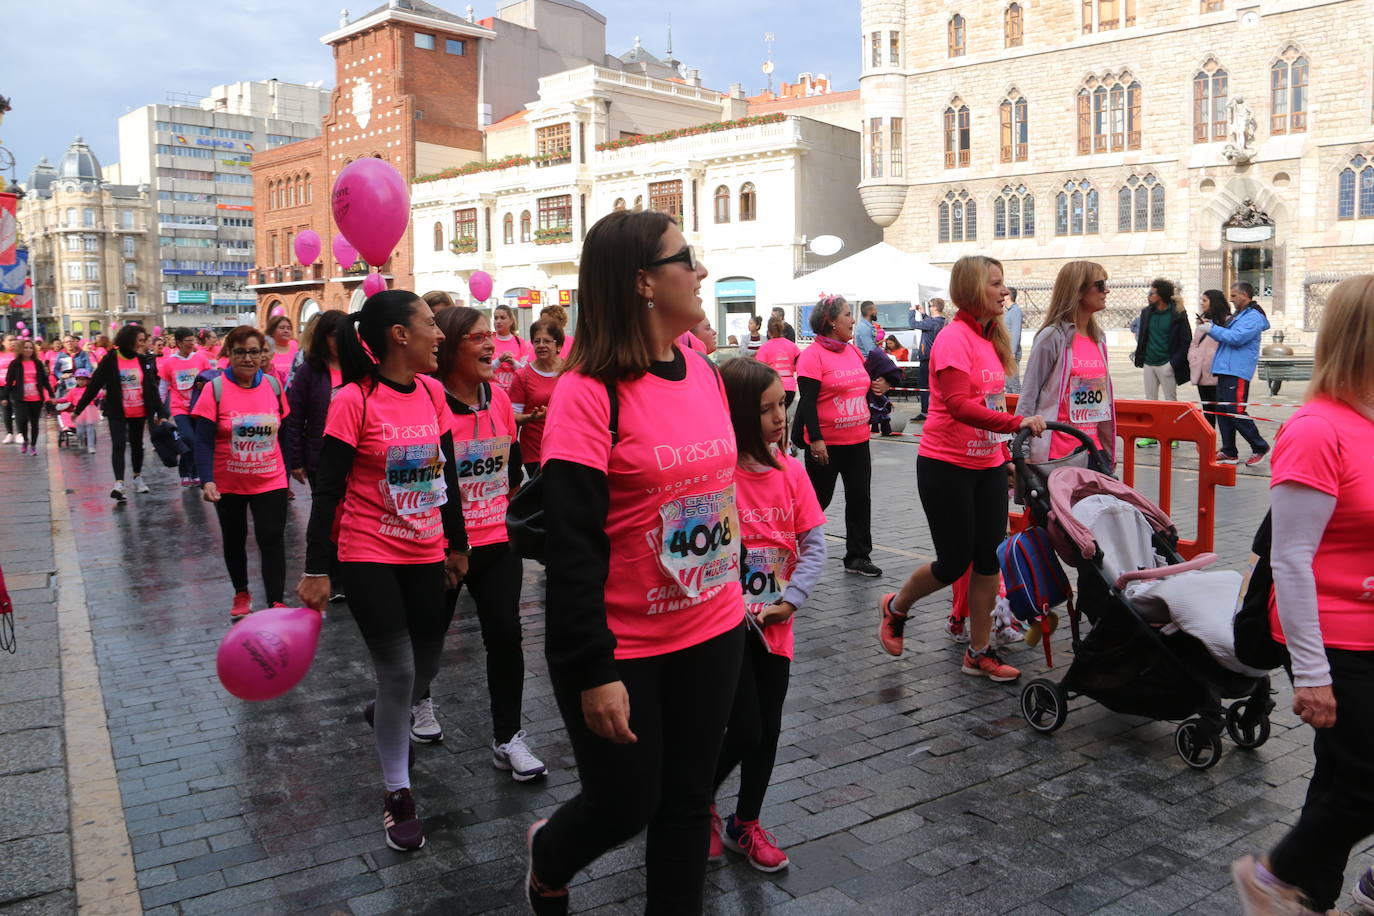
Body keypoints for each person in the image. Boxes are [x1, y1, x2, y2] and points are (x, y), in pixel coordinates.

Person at [526, 210, 745, 915]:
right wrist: (594, 669)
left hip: (711, 627)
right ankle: (549, 856)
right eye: (689, 259)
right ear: (644, 282)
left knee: (687, 802)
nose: (703, 271)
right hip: (625, 645)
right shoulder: (587, 396)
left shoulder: (706, 373)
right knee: (626, 802)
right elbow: (572, 547)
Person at [296, 289, 469, 853]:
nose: (439, 334)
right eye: (429, 324)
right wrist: (316, 567)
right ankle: (398, 794)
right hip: (368, 552)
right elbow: (328, 487)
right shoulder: (354, 400)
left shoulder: (432, 393)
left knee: (426, 667)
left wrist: (457, 546)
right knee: (396, 674)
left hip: (426, 551)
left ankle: (385, 711)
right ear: (399, 335)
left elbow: (448, 479)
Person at [1230, 274, 1374, 916]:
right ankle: (1276, 876)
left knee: (1346, 775)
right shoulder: (1318, 428)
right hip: (1335, 634)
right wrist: (1311, 673)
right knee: (1365, 777)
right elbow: (1290, 560)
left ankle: (1310, 895)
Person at [879, 255, 1046, 682]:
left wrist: (1006, 453)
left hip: (986, 463)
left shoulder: (992, 339)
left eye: (1003, 283)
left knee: (988, 560)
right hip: (945, 465)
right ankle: (896, 608)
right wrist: (1015, 424)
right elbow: (956, 405)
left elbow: (991, 402)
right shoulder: (953, 338)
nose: (1003, 291)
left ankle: (979, 650)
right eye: (995, 284)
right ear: (972, 289)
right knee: (953, 562)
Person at [708, 357, 826, 873]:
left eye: (783, 404)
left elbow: (814, 543)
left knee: (768, 728)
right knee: (745, 727)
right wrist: (730, 603)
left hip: (776, 625)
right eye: (766, 409)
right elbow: (700, 552)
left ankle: (744, 823)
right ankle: (695, 804)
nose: (781, 418)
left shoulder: (791, 473)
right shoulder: (715, 475)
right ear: (736, 415)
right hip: (723, 626)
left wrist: (789, 601)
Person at [433, 306, 546, 777]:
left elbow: (511, 463)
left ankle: (508, 738)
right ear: (452, 345)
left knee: (505, 636)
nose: (489, 344)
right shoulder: (429, 400)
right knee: (427, 640)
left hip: (497, 541)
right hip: (441, 546)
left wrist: (518, 520)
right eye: (477, 337)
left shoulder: (499, 398)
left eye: (489, 336)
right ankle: (417, 699)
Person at [191, 326, 291, 621]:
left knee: (272, 537)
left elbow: (284, 433)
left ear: (263, 355)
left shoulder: (273, 386)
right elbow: (203, 439)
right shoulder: (215, 388)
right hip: (229, 482)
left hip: (270, 478)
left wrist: (290, 470)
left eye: (254, 352)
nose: (248, 358)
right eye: (240, 352)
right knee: (235, 538)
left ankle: (276, 601)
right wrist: (207, 479)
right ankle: (241, 592)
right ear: (229, 355)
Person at [792, 295, 881, 578]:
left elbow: (861, 385)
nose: (852, 320)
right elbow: (807, 402)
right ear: (831, 321)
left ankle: (858, 556)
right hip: (826, 444)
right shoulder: (812, 356)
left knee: (859, 498)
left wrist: (879, 386)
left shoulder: (852, 351)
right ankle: (787, 546)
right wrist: (816, 439)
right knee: (817, 500)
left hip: (858, 440)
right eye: (846, 315)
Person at [1015, 261, 1118, 468]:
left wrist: (1107, 452)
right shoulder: (1052, 337)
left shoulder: (1099, 338)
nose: (1106, 290)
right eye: (1099, 284)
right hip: (1058, 454)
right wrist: (1022, 450)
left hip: (1093, 450)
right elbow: (1029, 394)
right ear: (1078, 290)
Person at [286, 309, 347, 591]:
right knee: (328, 513)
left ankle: (351, 569)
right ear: (324, 338)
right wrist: (295, 460)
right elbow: (295, 416)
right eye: (335, 334)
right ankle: (329, 573)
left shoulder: (357, 366)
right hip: (320, 455)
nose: (341, 340)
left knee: (352, 513)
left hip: (355, 454)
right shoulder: (311, 370)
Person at [73, 325, 168, 501]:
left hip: (139, 410)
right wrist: (79, 408)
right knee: (118, 445)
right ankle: (119, 484)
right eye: (140, 340)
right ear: (129, 341)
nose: (143, 344)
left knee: (137, 445)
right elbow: (94, 385)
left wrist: (161, 411)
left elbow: (151, 388)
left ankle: (137, 477)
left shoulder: (141, 360)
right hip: (117, 411)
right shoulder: (110, 359)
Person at [1204, 281, 1271, 466]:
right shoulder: (1239, 315)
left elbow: (1236, 338)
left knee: (1236, 411)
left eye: (1234, 296)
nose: (1231, 300)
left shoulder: (1253, 317)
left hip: (1237, 370)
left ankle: (1260, 446)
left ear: (1245, 295)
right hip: (1226, 368)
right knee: (1222, 411)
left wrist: (1211, 329)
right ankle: (1229, 451)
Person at [1131, 279, 1192, 447]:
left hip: (1167, 363)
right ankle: (1151, 436)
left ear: (1162, 295)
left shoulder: (1178, 313)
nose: (1149, 296)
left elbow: (1186, 340)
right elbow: (1143, 336)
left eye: (1152, 293)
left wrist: (1172, 363)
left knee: (1170, 401)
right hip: (1149, 363)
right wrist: (1140, 357)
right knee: (1150, 401)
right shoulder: (1146, 312)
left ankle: (1173, 436)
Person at [509, 317, 563, 478]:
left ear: (558, 345)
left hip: (566, 448)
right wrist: (529, 418)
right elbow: (512, 417)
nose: (541, 345)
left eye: (546, 341)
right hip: (535, 451)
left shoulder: (570, 371)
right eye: (536, 341)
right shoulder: (523, 375)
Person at [158, 328, 212, 486]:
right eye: (188, 341)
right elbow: (163, 388)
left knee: (197, 440)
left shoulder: (200, 359)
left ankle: (192, 473)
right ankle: (187, 472)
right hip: (179, 407)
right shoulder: (169, 362)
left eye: (192, 340)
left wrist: (204, 384)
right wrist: (160, 411)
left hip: (198, 406)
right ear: (179, 343)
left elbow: (210, 379)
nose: (191, 344)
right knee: (188, 438)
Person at [1189, 290, 1230, 430]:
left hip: (1217, 370)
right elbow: (1194, 343)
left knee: (1222, 411)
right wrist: (1192, 357)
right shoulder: (1200, 321)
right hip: (1200, 370)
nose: (1202, 303)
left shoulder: (1227, 321)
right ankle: (1208, 440)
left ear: (1214, 302)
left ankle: (1227, 445)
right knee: (1207, 409)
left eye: (1205, 300)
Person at [6, 339, 53, 455]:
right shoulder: (15, 364)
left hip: (36, 397)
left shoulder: (37, 363)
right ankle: (25, 440)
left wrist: (51, 393)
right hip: (21, 398)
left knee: (34, 422)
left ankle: (33, 445)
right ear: (20, 349)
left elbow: (44, 379)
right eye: (26, 348)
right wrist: (4, 397)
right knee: (22, 421)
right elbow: (9, 381)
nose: (28, 350)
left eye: (31, 348)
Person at [909, 299, 948, 420]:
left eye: (930, 306)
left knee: (924, 385)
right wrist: (924, 314)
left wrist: (911, 312)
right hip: (938, 358)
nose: (930, 308)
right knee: (937, 386)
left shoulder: (932, 322)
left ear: (935, 308)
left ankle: (925, 411)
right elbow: (929, 324)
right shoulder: (943, 322)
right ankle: (938, 409)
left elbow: (913, 324)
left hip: (927, 358)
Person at [755, 317, 800, 409]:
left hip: (772, 385)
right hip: (790, 387)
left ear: (769, 331)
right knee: (783, 414)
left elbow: (759, 370)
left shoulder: (764, 347)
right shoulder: (792, 346)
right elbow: (799, 365)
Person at [56, 368, 100, 453]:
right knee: (79, 431)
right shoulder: (73, 391)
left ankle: (91, 447)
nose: (81, 381)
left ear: (87, 380)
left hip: (89, 410)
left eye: (83, 379)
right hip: (79, 412)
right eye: (79, 379)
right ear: (76, 380)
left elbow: (98, 394)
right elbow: (66, 399)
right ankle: (80, 442)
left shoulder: (90, 389)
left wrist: (105, 393)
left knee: (90, 429)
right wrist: (56, 400)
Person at [491, 304, 533, 392]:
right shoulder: (489, 340)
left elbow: (524, 372)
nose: (498, 321)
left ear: (511, 321)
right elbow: (483, 369)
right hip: (493, 392)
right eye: (496, 318)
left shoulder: (519, 342)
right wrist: (499, 360)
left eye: (502, 318)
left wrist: (512, 362)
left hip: (514, 392)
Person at [264, 315, 298, 389]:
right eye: (282, 328)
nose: (286, 331)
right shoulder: (266, 350)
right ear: (272, 331)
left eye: (289, 328)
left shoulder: (296, 346)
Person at [1004, 287, 1024, 394]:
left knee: (1013, 384)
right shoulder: (1009, 312)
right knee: (1008, 384)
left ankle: (1017, 408)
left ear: (1008, 297)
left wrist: (1012, 351)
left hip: (1011, 354)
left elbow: (1016, 332)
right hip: (1006, 353)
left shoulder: (1016, 311)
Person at [0, 334, 17, 444]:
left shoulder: (18, 355)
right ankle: (9, 433)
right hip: (2, 386)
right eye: (10, 340)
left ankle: (20, 433)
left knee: (19, 410)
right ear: (3, 342)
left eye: (14, 340)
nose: (13, 342)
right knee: (6, 410)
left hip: (16, 386)